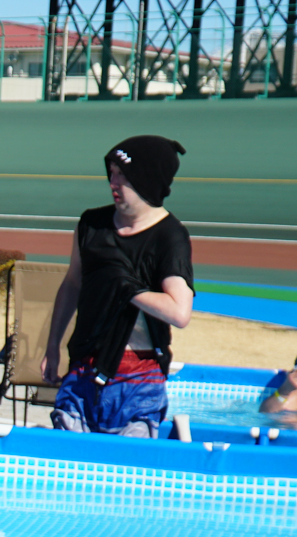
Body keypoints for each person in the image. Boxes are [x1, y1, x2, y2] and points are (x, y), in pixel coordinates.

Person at [43, 136, 195, 437]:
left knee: (126, 468)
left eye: (122, 175)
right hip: (84, 367)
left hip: (140, 378)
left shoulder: (169, 237)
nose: (113, 182)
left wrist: (129, 289)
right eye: (111, 172)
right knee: (67, 460)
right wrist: (52, 345)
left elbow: (180, 313)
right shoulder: (91, 225)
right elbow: (73, 284)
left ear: (146, 180)